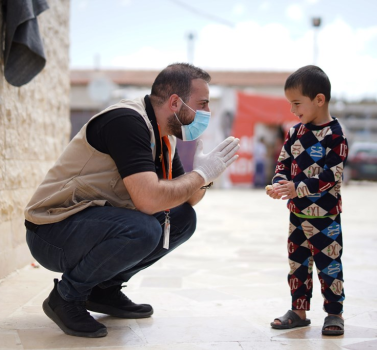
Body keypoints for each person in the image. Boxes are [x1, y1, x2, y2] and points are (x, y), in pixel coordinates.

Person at [24, 63, 240, 338]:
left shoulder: (165, 135)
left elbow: (187, 199)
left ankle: (104, 290)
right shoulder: (126, 122)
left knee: (183, 219)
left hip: (92, 224)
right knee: (144, 229)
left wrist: (205, 175)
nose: (207, 113)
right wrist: (199, 175)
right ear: (176, 102)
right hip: (52, 232)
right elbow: (149, 201)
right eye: (203, 104)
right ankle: (66, 297)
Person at [266, 65, 348, 336]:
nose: (292, 110)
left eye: (297, 103)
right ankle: (298, 311)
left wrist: (297, 187)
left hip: (326, 219)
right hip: (297, 216)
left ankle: (334, 313)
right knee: (297, 264)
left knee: (329, 265)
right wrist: (279, 184)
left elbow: (330, 177)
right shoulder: (294, 133)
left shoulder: (336, 136)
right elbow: (283, 164)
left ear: (319, 99)